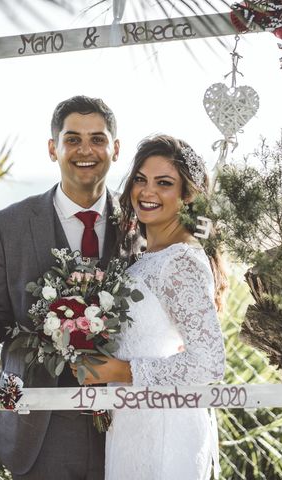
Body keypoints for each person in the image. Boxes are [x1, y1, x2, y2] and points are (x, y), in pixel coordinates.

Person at [0, 95, 125, 479]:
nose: (85, 150)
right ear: (52, 148)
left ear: (116, 149)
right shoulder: (7, 226)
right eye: (72, 139)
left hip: (127, 420)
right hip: (40, 424)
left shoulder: (138, 223)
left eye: (98, 139)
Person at [71, 135, 227, 480]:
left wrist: (121, 372)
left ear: (188, 196)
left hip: (165, 431)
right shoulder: (145, 260)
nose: (147, 191)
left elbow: (209, 363)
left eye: (164, 183)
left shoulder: (179, 262)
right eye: (140, 179)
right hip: (132, 425)